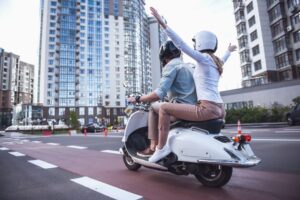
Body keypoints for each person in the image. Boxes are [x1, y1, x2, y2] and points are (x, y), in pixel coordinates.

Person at [148, 7, 237, 163]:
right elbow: (223, 59)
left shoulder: (203, 59)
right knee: (166, 108)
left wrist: (163, 24)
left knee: (163, 107)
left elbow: (181, 44)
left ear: (201, 43)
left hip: (207, 109)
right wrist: (228, 51)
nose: (194, 46)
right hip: (221, 109)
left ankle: (161, 148)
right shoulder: (215, 62)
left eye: (196, 43)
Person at [128, 40, 197, 157]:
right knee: (162, 106)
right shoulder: (189, 66)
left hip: (181, 109)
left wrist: (138, 98)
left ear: (164, 57)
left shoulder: (171, 66)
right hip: (194, 109)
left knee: (152, 108)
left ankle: (153, 146)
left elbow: (158, 94)